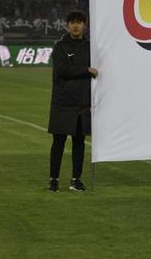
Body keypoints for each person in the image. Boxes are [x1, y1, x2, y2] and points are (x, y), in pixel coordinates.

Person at [48, 10, 98, 192]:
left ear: (84, 25)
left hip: (83, 103)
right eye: (72, 22)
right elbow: (62, 70)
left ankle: (75, 180)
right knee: (58, 143)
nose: (76, 25)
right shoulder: (60, 47)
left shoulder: (91, 47)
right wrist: (86, 70)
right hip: (63, 102)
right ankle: (53, 180)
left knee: (79, 143)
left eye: (79, 22)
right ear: (67, 25)